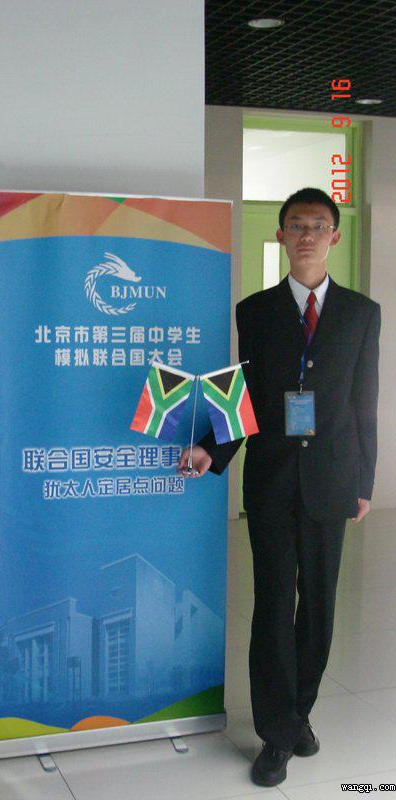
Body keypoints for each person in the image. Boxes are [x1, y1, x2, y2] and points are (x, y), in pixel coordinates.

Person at [178, 187, 380, 787]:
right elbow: (245, 396)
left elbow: (364, 402)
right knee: (271, 606)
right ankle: (276, 734)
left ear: (334, 237)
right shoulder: (256, 311)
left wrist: (364, 480)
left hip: (331, 481)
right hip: (270, 479)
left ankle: (299, 714)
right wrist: (211, 449)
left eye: (318, 226)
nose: (307, 235)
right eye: (297, 225)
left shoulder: (362, 313)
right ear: (281, 235)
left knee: (318, 608)